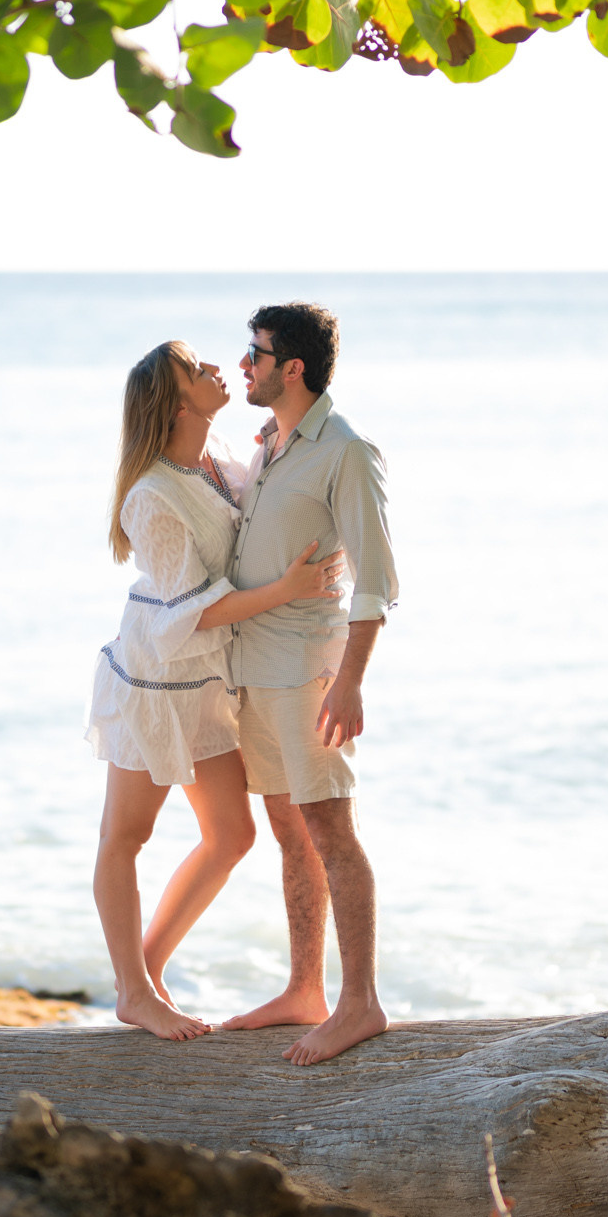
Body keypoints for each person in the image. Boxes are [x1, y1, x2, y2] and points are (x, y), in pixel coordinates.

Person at [86, 340, 345, 1041]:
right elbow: (192, 609)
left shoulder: (214, 455)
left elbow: (251, 510)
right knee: (125, 835)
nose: (214, 370)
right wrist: (283, 591)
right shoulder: (149, 497)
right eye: (194, 369)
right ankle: (136, 992)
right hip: (159, 677)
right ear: (172, 404)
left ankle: (138, 970)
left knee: (231, 835)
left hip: (210, 679)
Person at [218, 303, 399, 1066]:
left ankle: (361, 1003)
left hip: (308, 672)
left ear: (292, 367)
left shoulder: (346, 451)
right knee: (290, 830)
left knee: (331, 831)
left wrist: (349, 682)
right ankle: (304, 989)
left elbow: (378, 582)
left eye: (254, 353)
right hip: (255, 670)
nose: (243, 365)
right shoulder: (272, 440)